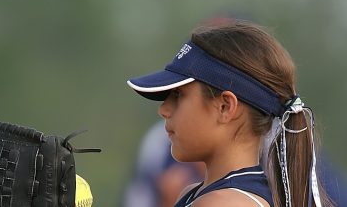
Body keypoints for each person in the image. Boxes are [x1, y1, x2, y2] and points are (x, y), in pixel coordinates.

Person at [126, 20, 335, 207]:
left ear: (225, 107)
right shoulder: (201, 194)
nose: (164, 109)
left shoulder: (223, 203)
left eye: (178, 94)